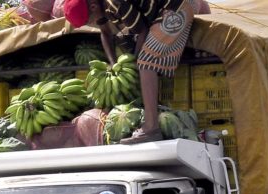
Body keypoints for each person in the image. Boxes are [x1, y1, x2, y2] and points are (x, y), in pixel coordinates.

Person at [64, 0, 208, 144]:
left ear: (93, 7)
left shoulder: (115, 3)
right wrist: (114, 63)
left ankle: (151, 128)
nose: (92, 23)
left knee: (145, 62)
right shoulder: (101, 7)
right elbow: (105, 33)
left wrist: (134, 62)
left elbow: (143, 31)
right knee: (138, 55)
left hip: (177, 6)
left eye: (89, 21)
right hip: (159, 11)